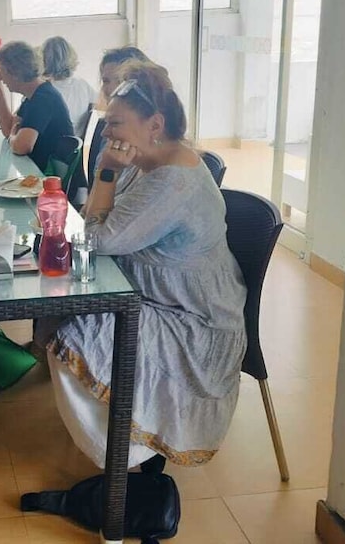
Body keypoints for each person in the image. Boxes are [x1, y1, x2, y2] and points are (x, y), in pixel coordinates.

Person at [44, 64, 246, 471]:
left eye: (115, 123)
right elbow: (95, 221)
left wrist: (105, 171)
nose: (106, 132)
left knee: (75, 331)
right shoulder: (146, 162)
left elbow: (97, 240)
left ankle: (123, 455)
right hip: (164, 299)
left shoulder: (172, 182)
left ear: (155, 124)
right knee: (62, 312)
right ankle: (124, 437)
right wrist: (108, 176)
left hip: (194, 322)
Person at [0, 40, 73, 172]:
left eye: (1, 70)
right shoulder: (33, 95)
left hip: (52, 179)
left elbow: (22, 147)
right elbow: (8, 129)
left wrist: (12, 137)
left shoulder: (43, 98)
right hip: (40, 172)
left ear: (15, 72)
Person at [88, 46, 152, 188]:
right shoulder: (108, 129)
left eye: (121, 81)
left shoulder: (143, 141)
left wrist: (108, 170)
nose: (111, 89)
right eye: (105, 81)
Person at [41, 36, 97, 129]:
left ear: (44, 59)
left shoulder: (42, 90)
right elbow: (99, 106)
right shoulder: (83, 84)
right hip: (77, 137)